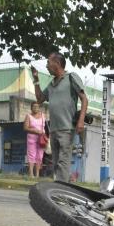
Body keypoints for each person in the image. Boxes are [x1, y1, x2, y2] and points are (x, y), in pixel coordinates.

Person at [32, 52, 88, 182]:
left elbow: (84, 99)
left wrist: (80, 121)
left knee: (63, 162)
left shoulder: (71, 77)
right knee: (57, 163)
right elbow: (39, 99)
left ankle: (60, 190)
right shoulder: (51, 84)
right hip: (54, 129)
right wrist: (35, 79)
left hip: (67, 128)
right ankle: (66, 185)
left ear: (57, 63)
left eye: (48, 62)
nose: (46, 66)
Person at [24, 101, 46, 178]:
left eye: (37, 107)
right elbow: (25, 128)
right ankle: (31, 174)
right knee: (31, 155)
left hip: (41, 139)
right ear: (31, 108)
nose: (36, 108)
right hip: (31, 138)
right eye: (34, 107)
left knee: (40, 156)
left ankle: (37, 174)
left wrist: (43, 133)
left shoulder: (43, 116)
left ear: (39, 108)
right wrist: (35, 130)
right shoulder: (28, 116)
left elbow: (44, 127)